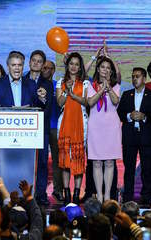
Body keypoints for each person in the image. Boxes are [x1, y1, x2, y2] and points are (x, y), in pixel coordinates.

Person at [117, 67, 151, 204]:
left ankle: (146, 197)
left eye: (137, 76)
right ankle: (128, 198)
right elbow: (120, 113)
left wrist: (144, 117)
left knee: (147, 168)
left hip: (146, 137)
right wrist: (129, 116)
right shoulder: (127, 94)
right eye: (132, 76)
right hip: (129, 137)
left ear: (144, 78)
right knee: (129, 169)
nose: (134, 79)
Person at [56, 52, 89, 205]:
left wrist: (73, 94)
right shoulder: (60, 82)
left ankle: (76, 193)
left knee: (78, 160)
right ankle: (66, 192)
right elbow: (59, 102)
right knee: (65, 161)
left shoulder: (85, 83)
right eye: (71, 64)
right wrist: (65, 89)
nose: (74, 67)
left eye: (77, 64)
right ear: (67, 66)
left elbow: (87, 102)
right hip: (64, 124)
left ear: (79, 66)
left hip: (80, 124)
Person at [87, 57, 121, 203]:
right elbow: (91, 102)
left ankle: (107, 195)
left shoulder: (116, 86)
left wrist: (108, 87)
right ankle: (99, 195)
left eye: (108, 68)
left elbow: (115, 101)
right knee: (96, 162)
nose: (105, 70)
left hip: (111, 127)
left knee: (109, 162)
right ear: (98, 70)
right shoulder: (90, 85)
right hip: (95, 126)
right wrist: (101, 89)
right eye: (103, 67)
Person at [25, 50, 53, 206]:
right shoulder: (20, 80)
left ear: (43, 65)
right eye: (33, 60)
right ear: (29, 62)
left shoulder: (47, 84)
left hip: (41, 128)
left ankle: (41, 194)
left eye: (39, 61)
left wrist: (41, 100)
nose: (35, 63)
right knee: (26, 162)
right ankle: (25, 193)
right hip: (25, 129)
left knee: (42, 162)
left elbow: (47, 109)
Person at [42, 60, 63, 202]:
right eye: (45, 68)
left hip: (55, 126)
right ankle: (40, 190)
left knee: (57, 161)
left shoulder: (57, 85)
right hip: (41, 127)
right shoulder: (37, 85)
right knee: (41, 160)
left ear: (54, 70)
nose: (47, 70)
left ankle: (58, 190)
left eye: (50, 68)